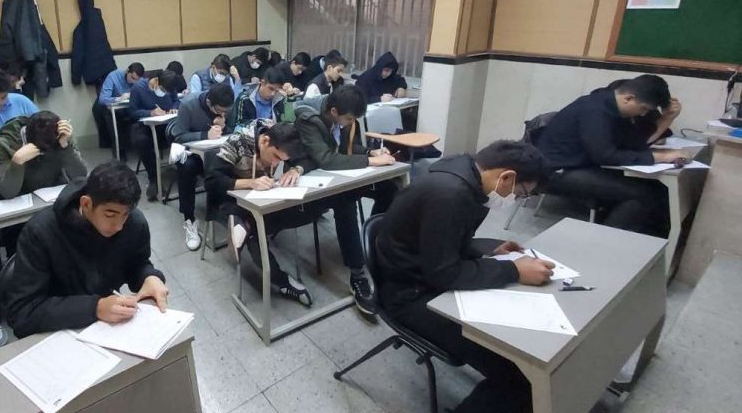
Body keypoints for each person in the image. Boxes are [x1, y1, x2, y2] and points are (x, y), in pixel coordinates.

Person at [376, 141, 554, 413]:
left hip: (421, 276)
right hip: (409, 295)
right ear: (507, 177)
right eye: (521, 193)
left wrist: (485, 251)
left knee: (521, 340)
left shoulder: (466, 177)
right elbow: (444, 273)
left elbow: (445, 242)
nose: (516, 199)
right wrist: (515, 270)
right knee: (518, 376)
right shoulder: (449, 195)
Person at [4, 161, 169, 337]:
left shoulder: (134, 222)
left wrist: (148, 276)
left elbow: (137, 263)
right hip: (56, 330)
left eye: (125, 214)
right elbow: (22, 313)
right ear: (86, 204)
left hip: (107, 327)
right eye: (110, 215)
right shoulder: (40, 232)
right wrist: (95, 308)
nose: (119, 226)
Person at [536, 74, 687, 238]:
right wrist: (661, 157)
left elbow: (634, 143)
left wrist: (667, 118)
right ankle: (604, 242)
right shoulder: (595, 110)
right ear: (628, 98)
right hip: (559, 171)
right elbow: (605, 156)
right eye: (643, 108)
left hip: (584, 165)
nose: (643, 114)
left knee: (657, 188)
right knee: (642, 195)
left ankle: (635, 237)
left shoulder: (613, 108)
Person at [292, 85, 398, 315]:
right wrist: (370, 162)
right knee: (346, 202)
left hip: (342, 176)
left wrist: (370, 152)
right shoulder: (307, 118)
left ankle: (373, 242)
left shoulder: (344, 118)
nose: (351, 123)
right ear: (333, 112)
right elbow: (326, 159)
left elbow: (346, 148)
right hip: (314, 181)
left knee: (390, 189)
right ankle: (357, 275)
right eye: (349, 119)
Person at [205, 123, 321, 306]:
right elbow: (212, 182)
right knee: (254, 231)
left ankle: (243, 226)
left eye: (282, 160)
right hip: (233, 200)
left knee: (306, 210)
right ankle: (283, 282)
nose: (275, 163)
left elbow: (311, 160)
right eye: (275, 157)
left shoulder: (284, 138)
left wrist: (295, 169)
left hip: (264, 199)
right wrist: (250, 183)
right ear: (265, 141)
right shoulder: (237, 141)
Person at [166, 82, 235, 250]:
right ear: (209, 102)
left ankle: (231, 215)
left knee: (233, 165)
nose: (223, 114)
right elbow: (179, 135)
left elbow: (233, 132)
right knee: (187, 167)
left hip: (219, 153)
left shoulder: (226, 106)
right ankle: (189, 219)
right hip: (193, 154)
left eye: (226, 111)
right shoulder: (188, 105)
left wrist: (225, 127)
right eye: (220, 110)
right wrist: (205, 134)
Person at [0, 110, 88, 199]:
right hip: (21, 194)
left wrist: (65, 147)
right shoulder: (6, 143)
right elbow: (8, 192)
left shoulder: (62, 134)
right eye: (41, 150)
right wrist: (17, 161)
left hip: (52, 191)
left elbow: (80, 176)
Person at [130, 70, 181, 201]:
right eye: (163, 90)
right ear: (156, 81)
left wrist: (174, 107)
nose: (164, 93)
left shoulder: (170, 86)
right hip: (146, 126)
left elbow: (176, 101)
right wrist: (150, 113)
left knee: (182, 133)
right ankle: (154, 179)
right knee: (141, 140)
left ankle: (186, 172)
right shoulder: (138, 88)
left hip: (166, 124)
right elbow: (132, 111)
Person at [92, 63, 146, 154]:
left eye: (137, 80)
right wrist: (118, 98)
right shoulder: (113, 76)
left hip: (131, 107)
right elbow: (102, 99)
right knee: (109, 115)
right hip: (115, 108)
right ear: (127, 71)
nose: (134, 82)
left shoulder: (141, 81)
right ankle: (119, 151)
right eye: (132, 78)